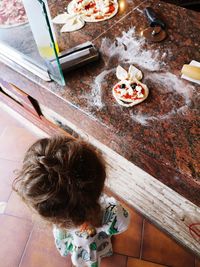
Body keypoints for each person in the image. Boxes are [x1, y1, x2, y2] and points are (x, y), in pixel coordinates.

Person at [13, 135, 130, 267]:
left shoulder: (56, 211)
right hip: (95, 241)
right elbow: (123, 224)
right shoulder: (112, 212)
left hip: (74, 241)